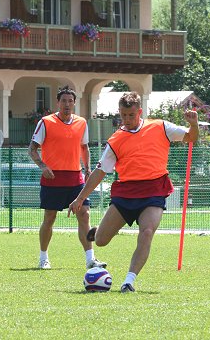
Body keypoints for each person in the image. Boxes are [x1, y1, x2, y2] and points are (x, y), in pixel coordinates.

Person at [68, 91, 199, 292]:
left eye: (131, 115)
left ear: (139, 112)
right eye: (123, 115)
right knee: (101, 241)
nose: (127, 120)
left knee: (146, 232)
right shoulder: (116, 140)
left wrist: (194, 124)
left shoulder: (161, 127)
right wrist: (80, 198)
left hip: (154, 190)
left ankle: (129, 281)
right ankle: (102, 229)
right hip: (126, 192)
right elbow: (100, 171)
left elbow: (191, 137)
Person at [28, 85, 106, 270]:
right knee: (49, 218)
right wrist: (42, 166)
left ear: (74, 103)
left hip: (75, 178)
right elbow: (32, 149)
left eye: (70, 101)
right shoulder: (46, 122)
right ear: (58, 102)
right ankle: (43, 258)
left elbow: (84, 147)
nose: (67, 104)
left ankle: (90, 259)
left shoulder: (81, 123)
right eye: (64, 101)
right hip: (52, 178)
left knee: (84, 215)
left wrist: (87, 169)